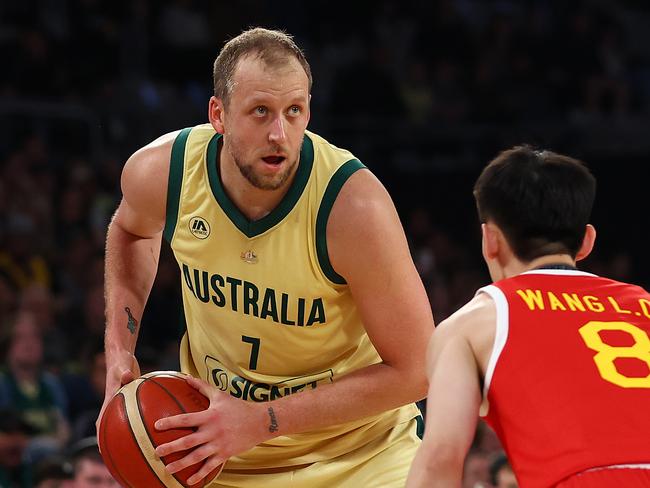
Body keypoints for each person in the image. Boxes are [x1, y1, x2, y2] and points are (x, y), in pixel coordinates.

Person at [100, 27, 434, 487]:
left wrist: (260, 420)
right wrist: (120, 349)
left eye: (294, 112)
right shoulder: (164, 171)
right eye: (260, 112)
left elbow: (418, 370)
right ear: (218, 114)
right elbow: (130, 230)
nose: (280, 134)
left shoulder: (352, 208)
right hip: (218, 448)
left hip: (360, 456)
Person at [406, 146, 650, 487]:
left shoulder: (476, 322)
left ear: (490, 241)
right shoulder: (644, 305)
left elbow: (440, 460)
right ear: (586, 242)